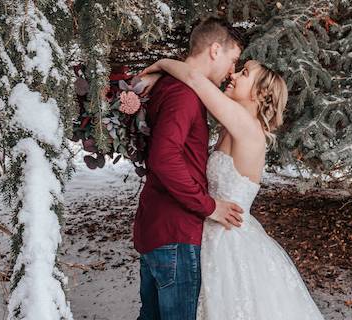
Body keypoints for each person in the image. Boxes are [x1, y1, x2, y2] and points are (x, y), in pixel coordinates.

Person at [137, 56, 325, 318]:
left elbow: (194, 79)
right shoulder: (231, 128)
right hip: (210, 228)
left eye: (244, 73)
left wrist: (161, 64)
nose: (233, 75)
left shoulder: (248, 129)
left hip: (229, 241)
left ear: (260, 93)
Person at [133, 17, 245, 320]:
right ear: (214, 50)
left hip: (158, 225)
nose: (231, 71)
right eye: (233, 60)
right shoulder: (184, 94)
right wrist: (209, 206)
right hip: (175, 232)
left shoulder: (170, 86)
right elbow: (164, 158)